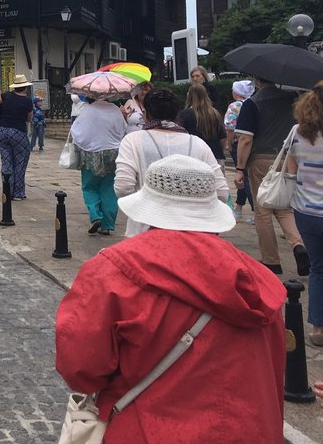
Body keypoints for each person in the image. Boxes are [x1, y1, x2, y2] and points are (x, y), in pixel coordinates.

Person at [56, 154, 286, 444]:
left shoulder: (113, 272)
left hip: (146, 430)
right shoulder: (258, 282)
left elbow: (81, 369)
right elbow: (273, 376)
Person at [115, 88, 228, 237]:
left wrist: (144, 205)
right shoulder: (198, 144)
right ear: (176, 115)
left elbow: (123, 188)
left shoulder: (132, 141)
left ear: (146, 114)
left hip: (144, 230)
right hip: (193, 232)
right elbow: (222, 193)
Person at [234, 74, 308, 275]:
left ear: (257, 79)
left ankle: (271, 260)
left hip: (262, 158)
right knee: (285, 208)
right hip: (289, 158)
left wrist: (240, 168)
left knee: (263, 209)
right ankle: (297, 245)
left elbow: (245, 139)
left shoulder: (253, 103)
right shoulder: (292, 100)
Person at [287, 81, 323, 346]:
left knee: (318, 270)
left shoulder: (297, 132)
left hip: (306, 210)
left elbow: (290, 169)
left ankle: (318, 328)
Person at [70, 96, 127, 235]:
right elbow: (123, 129)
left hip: (91, 153)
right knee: (109, 189)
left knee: (90, 186)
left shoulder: (87, 110)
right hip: (113, 153)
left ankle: (95, 215)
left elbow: (76, 132)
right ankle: (107, 225)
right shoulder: (114, 109)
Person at [0, 75, 32, 201]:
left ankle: (7, 190)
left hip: (3, 132)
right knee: (20, 163)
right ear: (25, 87)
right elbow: (29, 119)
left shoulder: (6, 96)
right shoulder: (27, 101)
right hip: (19, 133)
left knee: (6, 162)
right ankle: (18, 193)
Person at [224, 79, 256, 221]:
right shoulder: (253, 104)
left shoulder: (234, 106)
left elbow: (230, 128)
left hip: (239, 143)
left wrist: (229, 144)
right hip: (253, 144)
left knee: (243, 177)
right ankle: (239, 207)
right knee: (246, 176)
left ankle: (255, 211)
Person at [177, 83, 226, 163]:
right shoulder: (215, 113)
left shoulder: (184, 114)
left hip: (193, 157)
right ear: (206, 95)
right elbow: (223, 137)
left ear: (189, 96)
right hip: (215, 155)